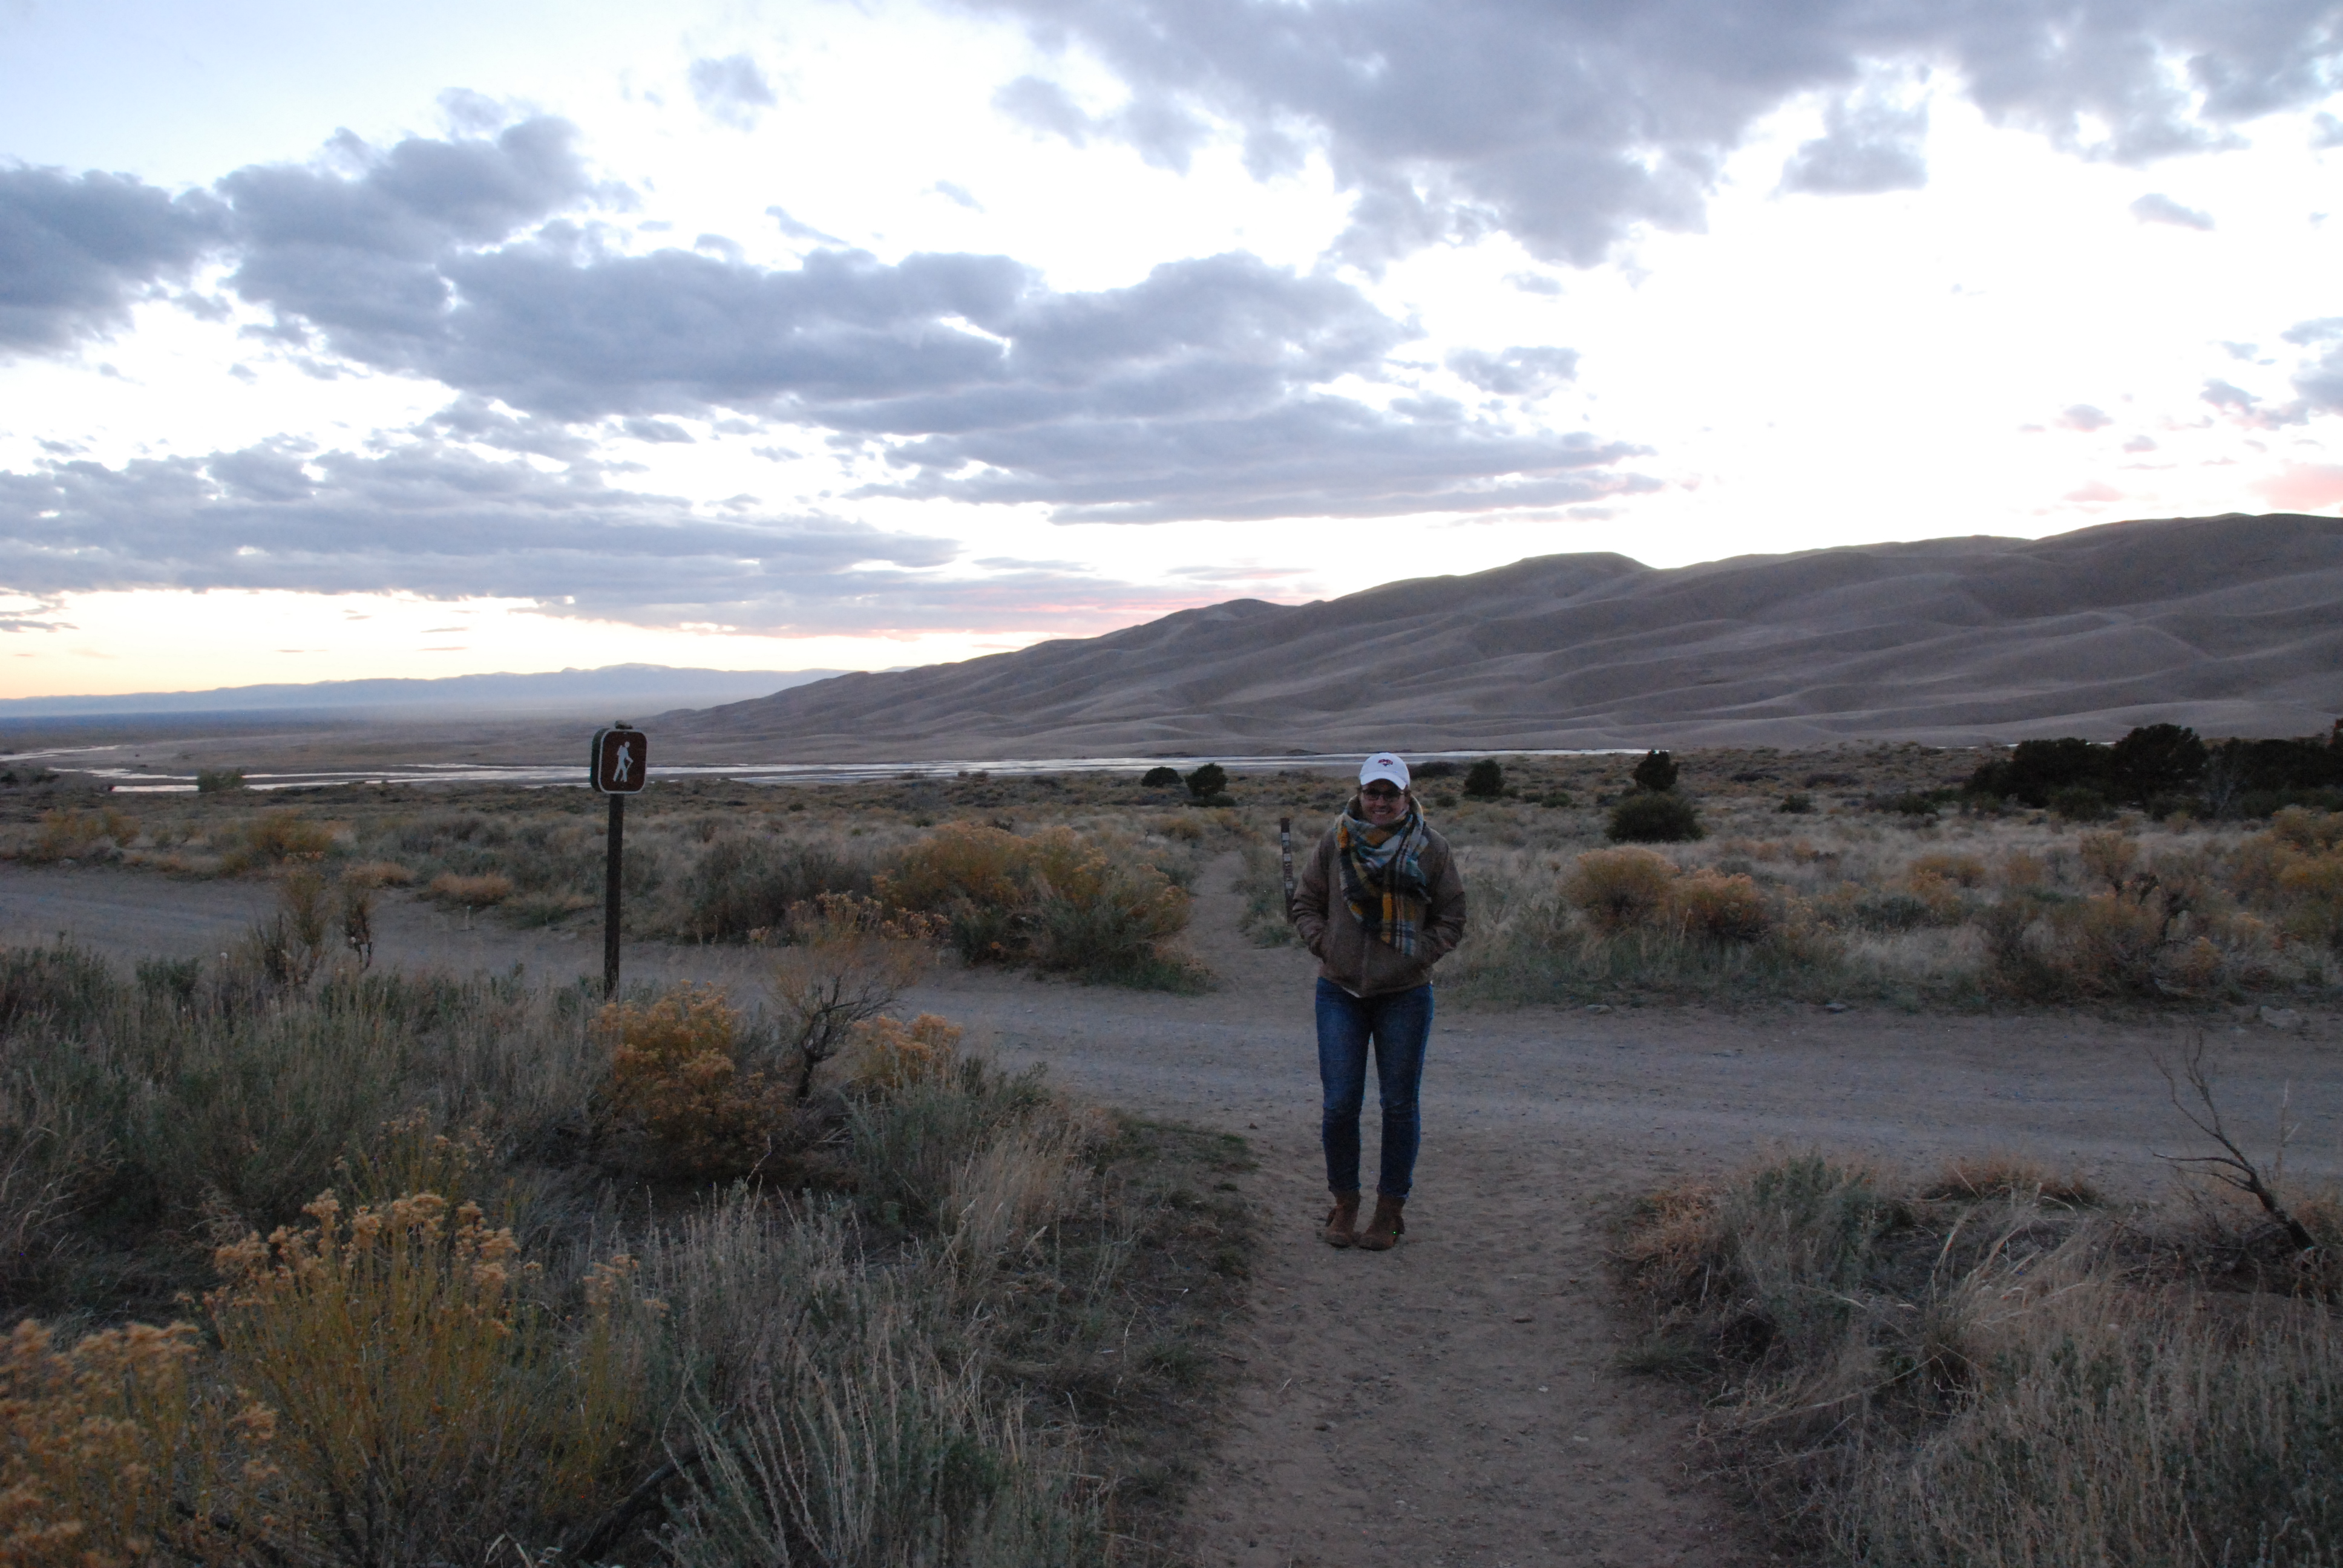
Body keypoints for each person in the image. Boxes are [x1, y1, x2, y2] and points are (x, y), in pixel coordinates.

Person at [1289, 752, 1468, 1250]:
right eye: (1373, 792)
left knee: (1399, 1105)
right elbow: (1305, 902)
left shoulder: (1431, 848)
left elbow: (1452, 917)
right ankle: (1345, 1202)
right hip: (1339, 990)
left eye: (1391, 793)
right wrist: (1325, 944)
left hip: (1405, 994)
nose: (1381, 802)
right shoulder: (1336, 841)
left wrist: (1417, 956)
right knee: (1340, 1103)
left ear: (1407, 796)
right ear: (1361, 793)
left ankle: (1390, 1211)